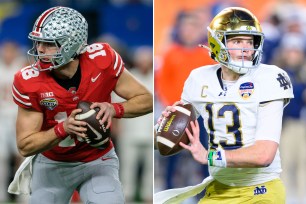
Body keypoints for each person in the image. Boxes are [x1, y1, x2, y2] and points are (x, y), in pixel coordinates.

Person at [10, 6, 153, 204]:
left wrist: (114, 108)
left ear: (71, 44)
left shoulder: (102, 60)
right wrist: (62, 128)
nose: (40, 49)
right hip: (52, 163)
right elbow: (25, 145)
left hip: (98, 160)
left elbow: (146, 99)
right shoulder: (29, 80)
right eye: (38, 42)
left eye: (48, 43)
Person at [154, 7, 293, 203]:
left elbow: (264, 155)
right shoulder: (200, 78)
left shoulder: (269, 77)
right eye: (237, 41)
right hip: (219, 189)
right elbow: (172, 133)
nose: (246, 49)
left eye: (250, 41)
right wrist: (162, 128)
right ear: (217, 43)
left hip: (261, 190)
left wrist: (209, 157)